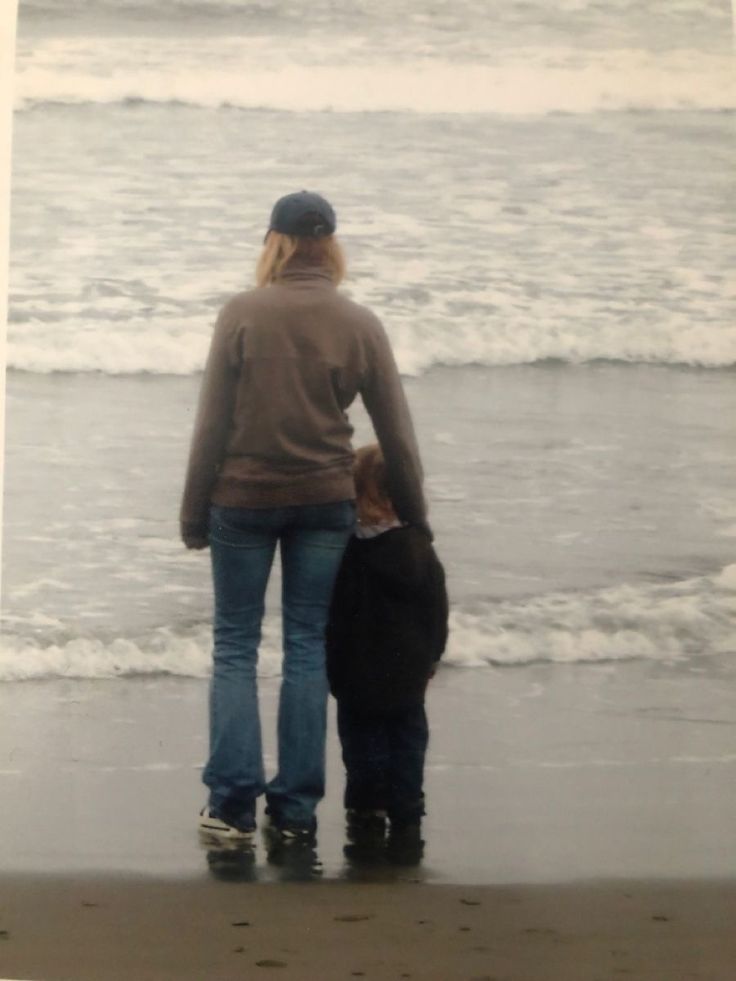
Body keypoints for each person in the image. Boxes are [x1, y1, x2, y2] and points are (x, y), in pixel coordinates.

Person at [180, 191, 428, 845]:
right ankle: (294, 813)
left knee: (235, 644)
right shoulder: (359, 322)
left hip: (242, 498)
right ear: (331, 246)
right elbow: (396, 434)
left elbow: (211, 425)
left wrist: (193, 512)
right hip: (325, 500)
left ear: (275, 242)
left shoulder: (241, 313)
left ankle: (231, 806)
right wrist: (416, 517)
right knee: (305, 646)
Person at [326, 443, 448, 860]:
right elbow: (437, 607)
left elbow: (335, 615)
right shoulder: (418, 546)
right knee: (408, 740)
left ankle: (365, 809)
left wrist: (331, 664)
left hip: (357, 669)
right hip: (409, 669)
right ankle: (408, 809)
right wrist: (433, 656)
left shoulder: (347, 552)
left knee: (362, 745)